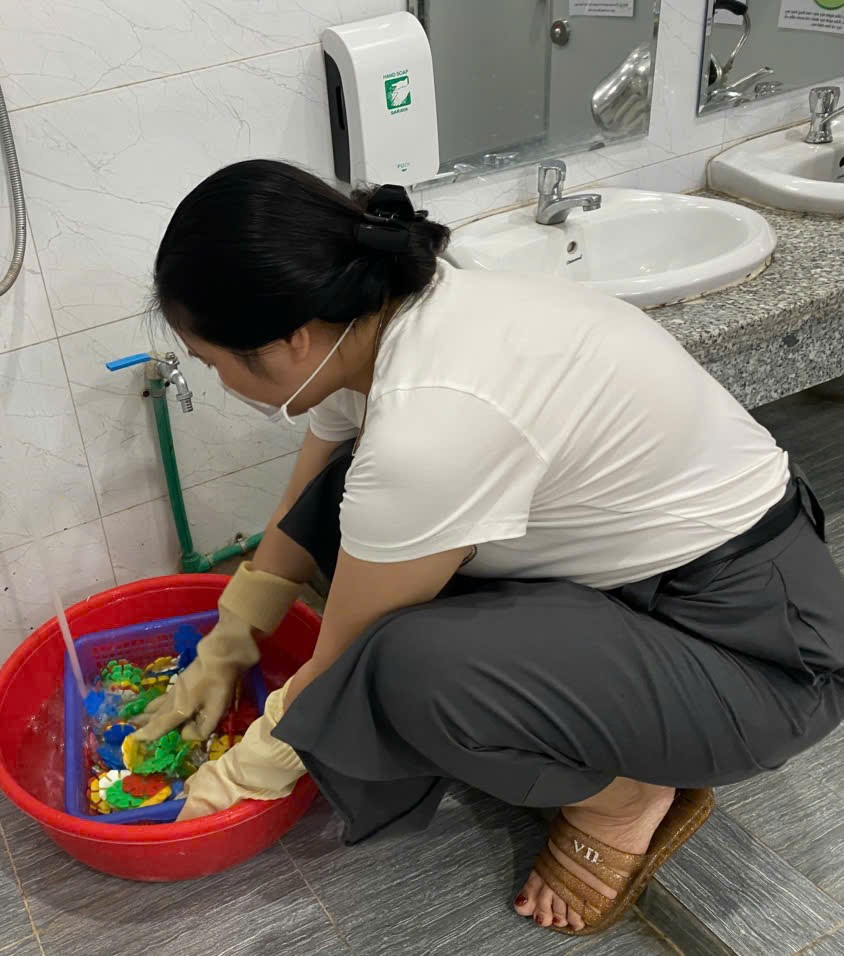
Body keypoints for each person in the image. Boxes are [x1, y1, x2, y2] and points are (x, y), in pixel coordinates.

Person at [131, 159, 844, 937]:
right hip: (668, 586)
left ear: (290, 341)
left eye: (211, 363)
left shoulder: (433, 419)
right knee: (349, 508)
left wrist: (231, 778)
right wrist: (231, 639)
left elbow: (341, 662)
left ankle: (624, 799)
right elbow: (311, 494)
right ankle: (565, 711)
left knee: (405, 670)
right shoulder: (386, 312)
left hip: (765, 657)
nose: (218, 382)